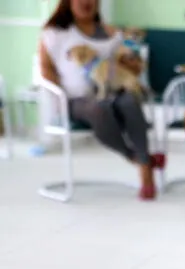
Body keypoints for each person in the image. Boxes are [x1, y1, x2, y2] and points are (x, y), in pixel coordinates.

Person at [39, 0, 164, 200]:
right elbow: (46, 68)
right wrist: (57, 97)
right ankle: (140, 160)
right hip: (76, 99)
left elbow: (135, 68)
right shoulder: (54, 33)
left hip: (112, 91)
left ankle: (145, 170)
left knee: (130, 101)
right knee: (100, 108)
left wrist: (131, 62)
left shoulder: (112, 33)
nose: (87, 2)